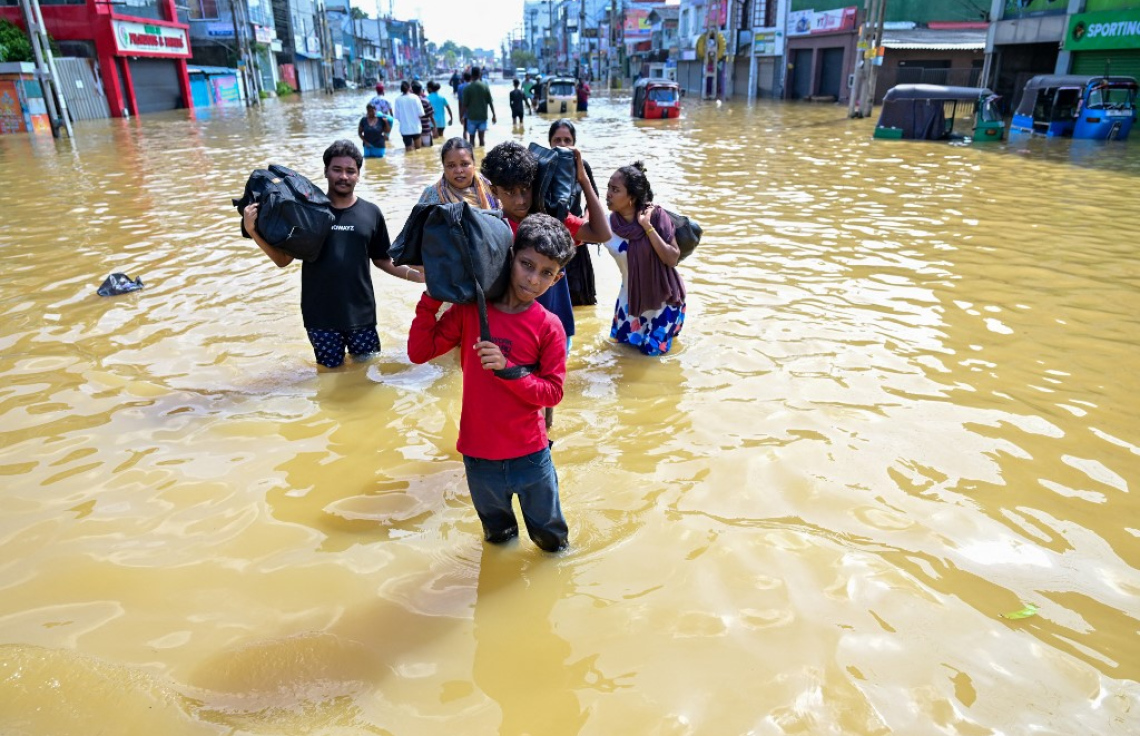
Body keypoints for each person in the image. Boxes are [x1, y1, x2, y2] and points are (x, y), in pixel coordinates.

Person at [407, 214, 576, 552]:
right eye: (527, 264)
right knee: (498, 541)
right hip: (478, 457)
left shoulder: (549, 326)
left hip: (531, 456)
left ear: (557, 279)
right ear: (510, 257)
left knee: (553, 544)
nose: (533, 279)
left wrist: (508, 369)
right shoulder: (471, 311)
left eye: (546, 273)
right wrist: (433, 293)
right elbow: (419, 352)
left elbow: (553, 393)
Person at [241, 140, 425, 368]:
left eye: (350, 171)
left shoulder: (371, 213)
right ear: (326, 171)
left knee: (367, 374)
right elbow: (283, 260)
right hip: (320, 319)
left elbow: (382, 259)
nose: (344, 176)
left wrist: (415, 275)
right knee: (330, 374)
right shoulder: (307, 212)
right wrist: (252, 231)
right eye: (337, 169)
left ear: (358, 175)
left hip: (361, 316)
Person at [603, 161, 686, 356]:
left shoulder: (655, 216)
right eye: (608, 187)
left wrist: (647, 227)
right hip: (629, 302)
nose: (608, 194)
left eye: (615, 190)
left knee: (651, 360)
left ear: (631, 198)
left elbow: (672, 258)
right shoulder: (607, 224)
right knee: (622, 357)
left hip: (663, 301)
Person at [548, 119, 597, 306]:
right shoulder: (543, 166)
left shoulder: (581, 166)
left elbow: (593, 201)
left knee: (580, 301)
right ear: (550, 143)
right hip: (550, 241)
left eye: (567, 140)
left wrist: (585, 224)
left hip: (577, 241)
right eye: (557, 140)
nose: (562, 145)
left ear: (574, 143)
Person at [417, 137, 500, 209]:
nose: (459, 170)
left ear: (474, 164)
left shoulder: (489, 187)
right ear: (444, 167)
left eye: (464, 164)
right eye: (451, 165)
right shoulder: (432, 195)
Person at [461, 66, 496, 147]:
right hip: (482, 117)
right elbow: (490, 102)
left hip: (471, 117)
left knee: (471, 140)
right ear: (480, 74)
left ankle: (472, 154)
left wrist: (462, 116)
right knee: (482, 139)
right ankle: (482, 153)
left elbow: (464, 105)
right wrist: (494, 115)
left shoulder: (467, 88)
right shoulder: (485, 87)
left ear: (471, 75)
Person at [394, 80, 424, 152]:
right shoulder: (415, 98)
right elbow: (421, 113)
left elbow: (397, 116)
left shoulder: (398, 99)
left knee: (408, 151)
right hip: (416, 128)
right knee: (418, 150)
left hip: (405, 130)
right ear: (410, 88)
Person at [412, 80, 434, 148]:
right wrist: (435, 126)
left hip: (414, 130)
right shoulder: (426, 101)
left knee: (416, 150)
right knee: (428, 150)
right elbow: (431, 116)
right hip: (425, 129)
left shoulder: (410, 102)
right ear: (421, 90)